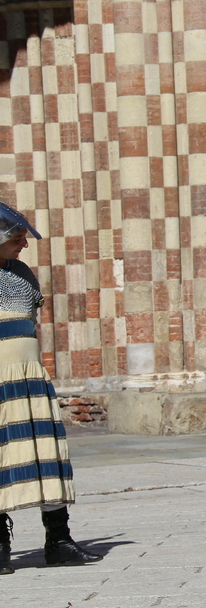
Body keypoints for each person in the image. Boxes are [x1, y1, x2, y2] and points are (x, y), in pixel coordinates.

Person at [0, 203, 102, 572]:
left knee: (47, 456)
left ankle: (58, 540)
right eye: (16, 238)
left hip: (28, 379)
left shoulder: (23, 276)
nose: (23, 245)